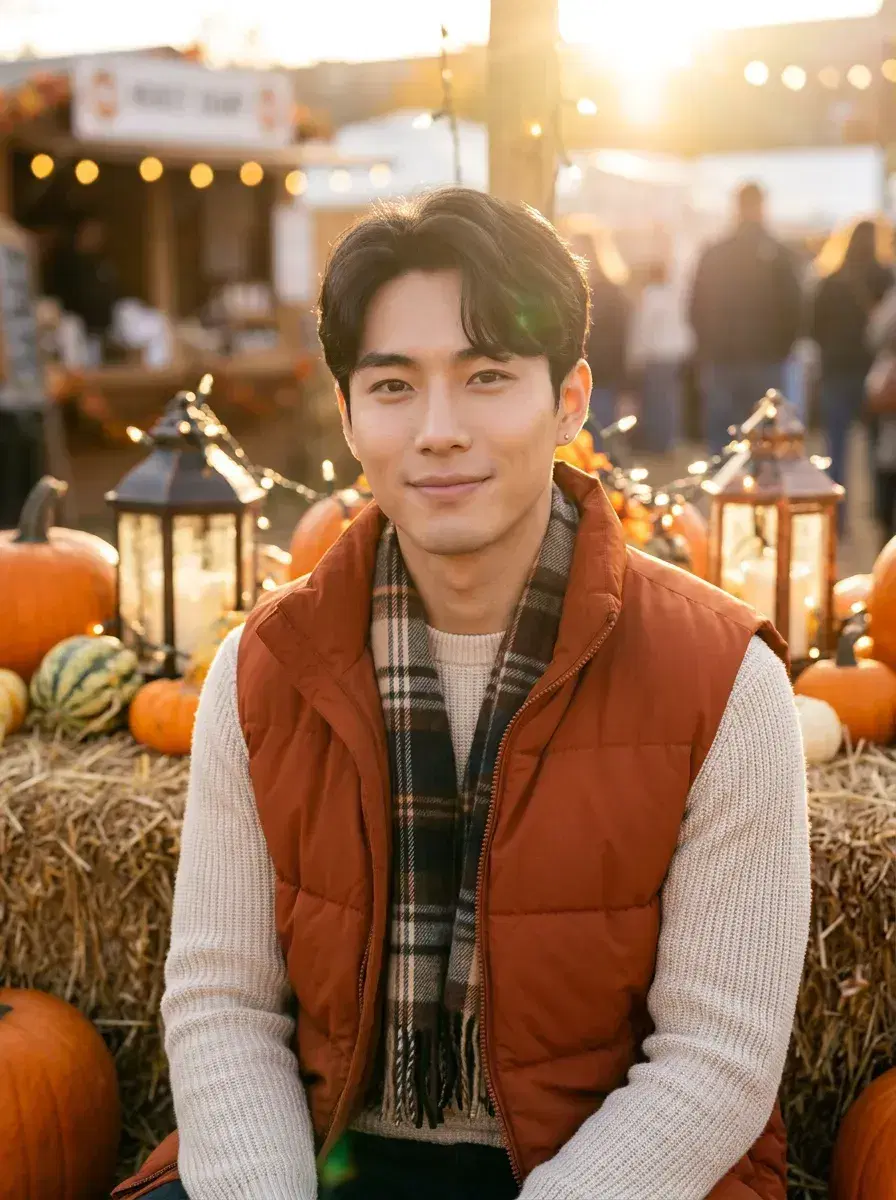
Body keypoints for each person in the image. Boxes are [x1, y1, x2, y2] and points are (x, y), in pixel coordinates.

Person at [114, 188, 810, 1200]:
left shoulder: (723, 682)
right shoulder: (264, 668)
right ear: (347, 413)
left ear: (567, 400)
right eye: (393, 386)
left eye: (485, 377)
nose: (438, 431)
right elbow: (223, 1001)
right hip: (325, 1163)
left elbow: (717, 1058)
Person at [689, 182, 802, 453]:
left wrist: (709, 346)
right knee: (766, 442)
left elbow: (695, 307)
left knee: (723, 443)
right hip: (764, 361)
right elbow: (795, 308)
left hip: (724, 360)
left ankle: (725, 494)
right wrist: (781, 349)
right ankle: (761, 494)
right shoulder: (779, 254)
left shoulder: (715, 253)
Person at [810, 218, 894, 535]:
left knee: (837, 448)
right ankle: (879, 515)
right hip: (875, 376)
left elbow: (813, 327)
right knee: (878, 450)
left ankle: (837, 518)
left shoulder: (830, 279)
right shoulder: (884, 277)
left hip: (836, 372)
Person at [569, 231, 630, 444]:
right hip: (571, 374)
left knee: (598, 440)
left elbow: (621, 341)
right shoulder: (568, 291)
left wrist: (624, 385)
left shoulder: (611, 293)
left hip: (602, 377)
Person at [628, 257, 694, 454]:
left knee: (656, 400)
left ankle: (657, 442)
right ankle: (669, 440)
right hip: (675, 354)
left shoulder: (650, 296)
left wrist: (636, 356)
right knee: (671, 399)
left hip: (656, 355)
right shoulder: (676, 296)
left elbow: (642, 329)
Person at [46, 216, 119, 362]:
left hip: (97, 328)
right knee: (72, 331)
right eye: (90, 232)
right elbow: (57, 297)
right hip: (70, 322)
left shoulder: (102, 264)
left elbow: (110, 295)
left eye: (98, 234)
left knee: (93, 367)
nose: (95, 238)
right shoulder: (64, 263)